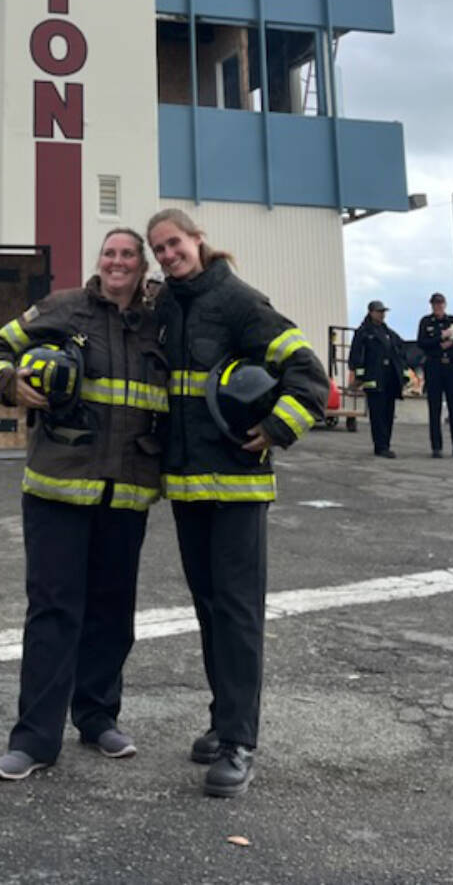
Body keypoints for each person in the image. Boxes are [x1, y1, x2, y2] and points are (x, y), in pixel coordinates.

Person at [146, 207, 328, 800]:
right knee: (208, 609)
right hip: (189, 489)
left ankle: (241, 744)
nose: (167, 255)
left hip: (240, 488)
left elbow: (309, 374)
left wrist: (278, 428)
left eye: (174, 244)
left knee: (239, 613)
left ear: (198, 240)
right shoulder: (168, 306)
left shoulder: (242, 301)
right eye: (159, 250)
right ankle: (223, 721)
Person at [0, 228, 168, 781]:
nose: (117, 262)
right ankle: (34, 740)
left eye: (128, 254)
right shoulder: (62, 308)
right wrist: (9, 383)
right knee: (54, 613)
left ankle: (98, 717)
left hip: (127, 493)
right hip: (58, 491)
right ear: (98, 261)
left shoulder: (160, 323)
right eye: (110, 253)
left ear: (142, 265)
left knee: (112, 616)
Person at [417, 294, 453, 458]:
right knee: (434, 408)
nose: (438, 307)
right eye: (435, 304)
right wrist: (439, 338)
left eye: (440, 304)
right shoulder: (426, 322)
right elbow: (422, 343)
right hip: (434, 366)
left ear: (445, 305)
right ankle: (436, 446)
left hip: (451, 365)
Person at [347, 300, 407, 457]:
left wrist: (403, 373)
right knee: (378, 415)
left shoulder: (388, 333)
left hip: (389, 379)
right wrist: (360, 377)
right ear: (371, 312)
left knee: (388, 413)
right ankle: (380, 446)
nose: (382, 315)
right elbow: (356, 356)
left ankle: (386, 444)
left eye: (383, 312)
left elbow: (400, 350)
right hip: (374, 379)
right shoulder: (364, 333)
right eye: (379, 312)